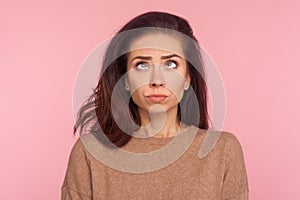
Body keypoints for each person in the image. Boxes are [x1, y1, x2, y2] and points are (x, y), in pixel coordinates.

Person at [61, 11, 249, 199]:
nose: (157, 81)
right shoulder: (90, 153)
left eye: (171, 64)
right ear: (125, 80)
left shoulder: (222, 151)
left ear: (187, 79)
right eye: (142, 65)